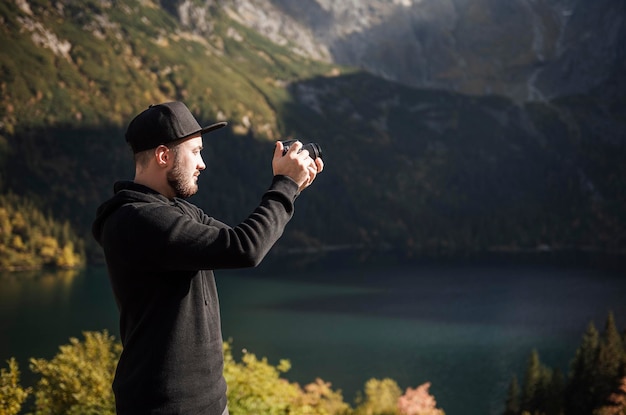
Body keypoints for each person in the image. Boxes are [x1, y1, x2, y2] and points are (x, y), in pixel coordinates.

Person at [92, 101, 324, 415]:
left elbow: (246, 240)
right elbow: (245, 248)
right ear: (164, 156)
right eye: (196, 151)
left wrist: (293, 186)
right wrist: (285, 184)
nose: (202, 164)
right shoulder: (138, 220)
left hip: (208, 403)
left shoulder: (177, 210)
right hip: (166, 407)